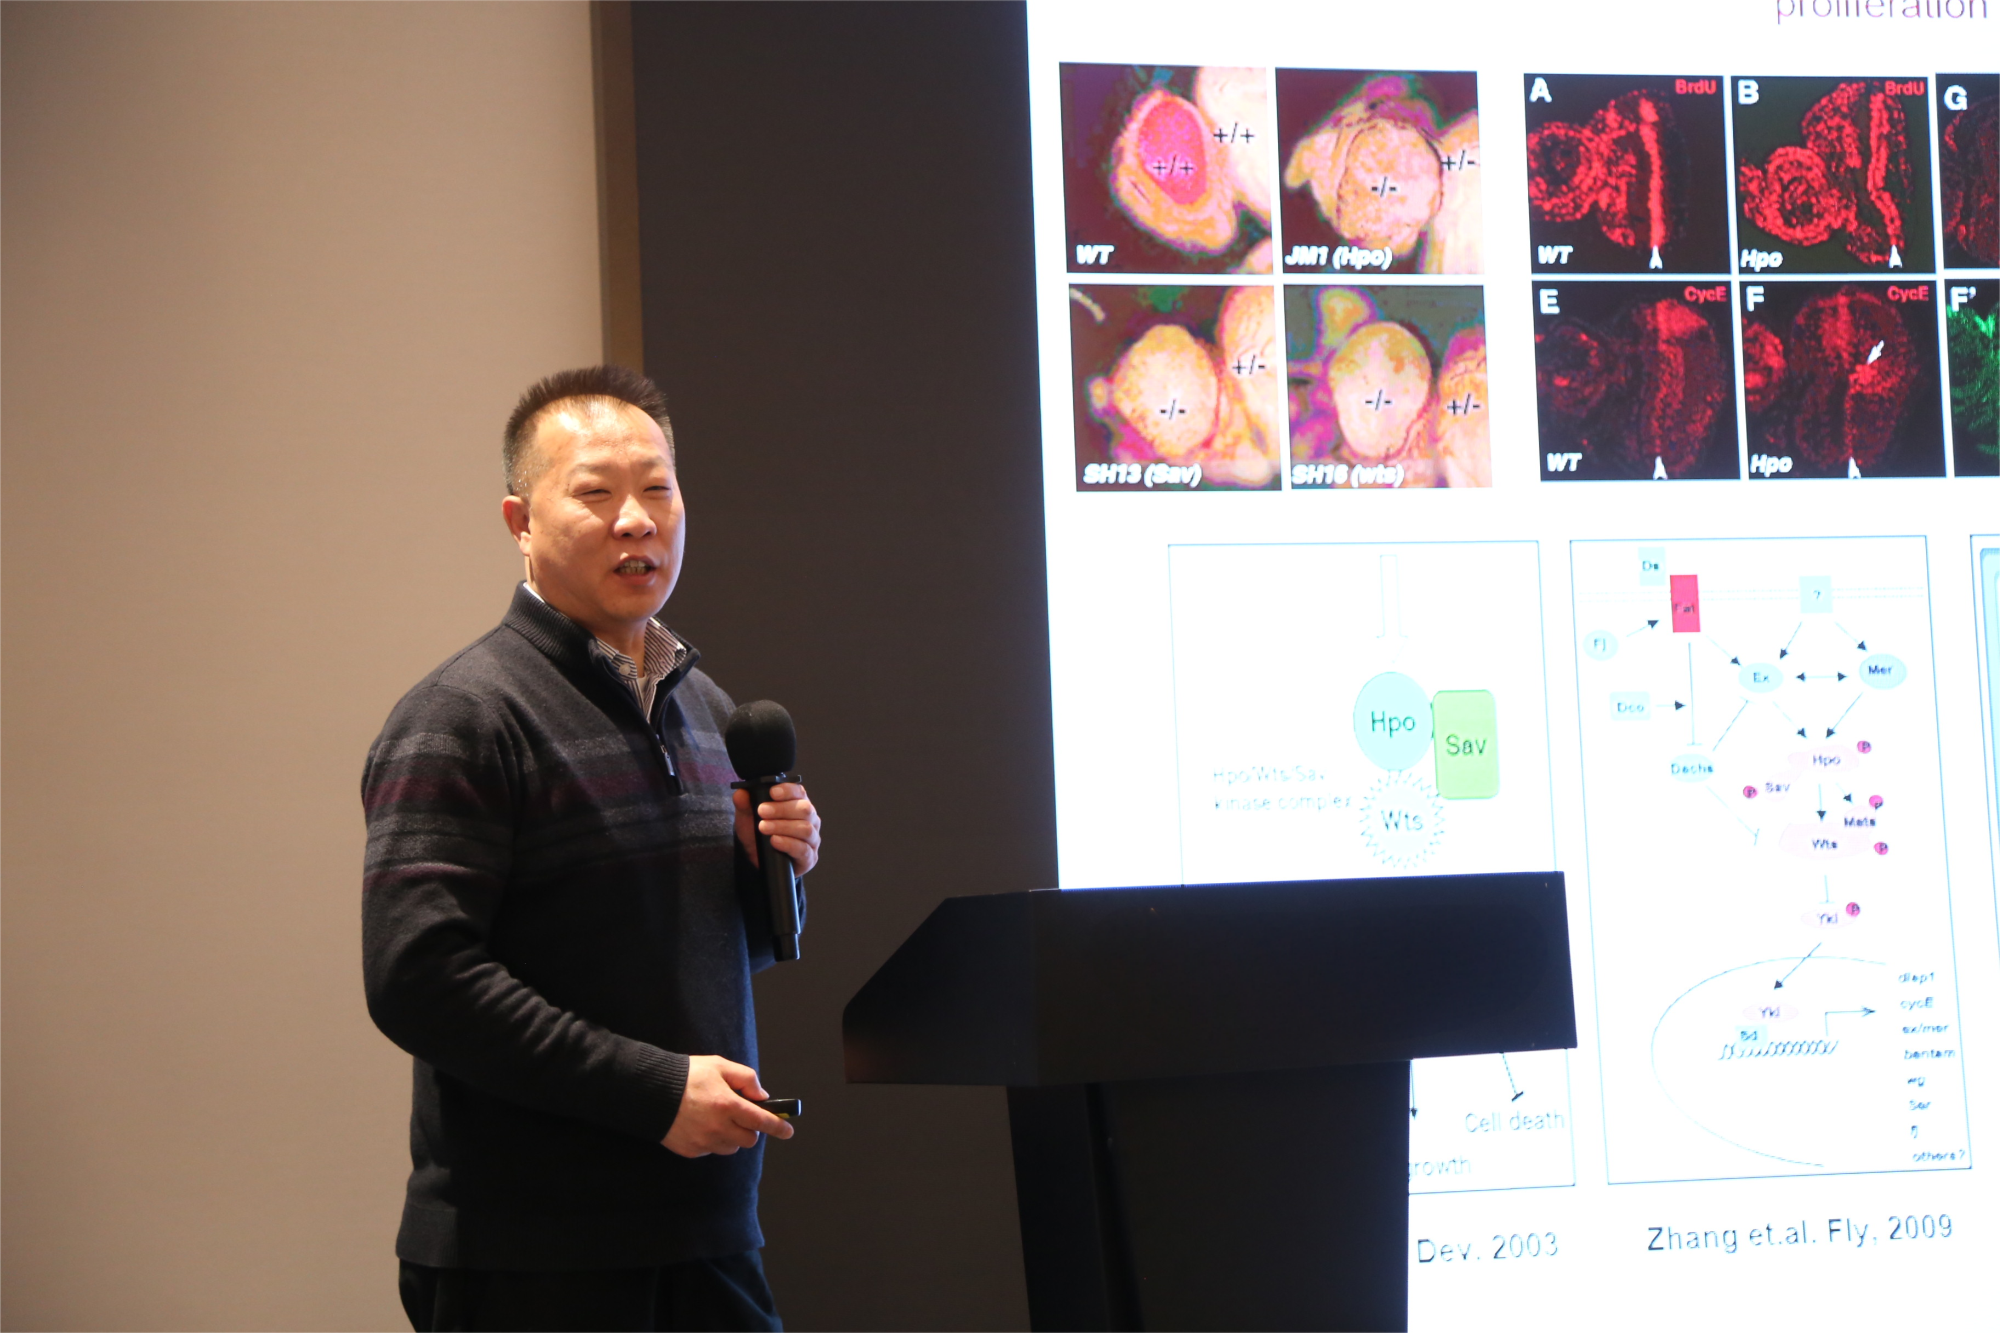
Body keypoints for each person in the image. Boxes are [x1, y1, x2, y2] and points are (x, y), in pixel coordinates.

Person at [362, 365, 822, 1332]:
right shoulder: (462, 716)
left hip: (708, 1233)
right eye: (596, 493)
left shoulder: (708, 710)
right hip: (531, 1254)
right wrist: (654, 1092)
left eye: (657, 489)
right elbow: (419, 979)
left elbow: (703, 955)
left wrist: (767, 878)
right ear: (520, 521)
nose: (636, 520)